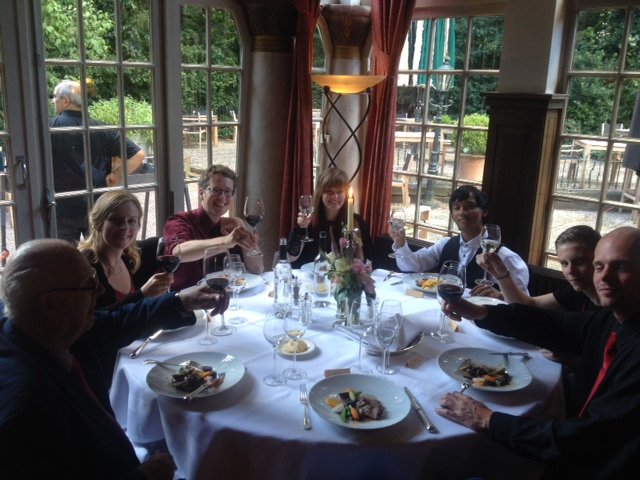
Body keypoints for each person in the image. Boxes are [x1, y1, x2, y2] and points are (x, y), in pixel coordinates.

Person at [0, 239, 228, 478]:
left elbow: (121, 320)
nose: (100, 291)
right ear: (49, 306)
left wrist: (181, 300)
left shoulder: (44, 332)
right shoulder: (25, 411)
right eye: (89, 284)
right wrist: (145, 476)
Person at [436, 227, 640, 479]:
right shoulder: (611, 318)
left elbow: (591, 437)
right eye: (599, 267)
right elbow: (552, 324)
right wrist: (480, 312)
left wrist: (488, 420)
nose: (605, 277)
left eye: (621, 267)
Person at [50, 80, 145, 243]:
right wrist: (116, 176)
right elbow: (138, 155)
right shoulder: (102, 128)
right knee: (99, 253)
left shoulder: (49, 127)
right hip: (97, 207)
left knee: (64, 256)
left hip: (61, 207)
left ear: (66, 101)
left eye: (55, 97)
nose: (53, 100)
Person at [390, 184, 529, 293]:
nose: (462, 212)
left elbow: (523, 302)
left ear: (484, 211)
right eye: (457, 208)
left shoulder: (505, 256)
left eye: (470, 207)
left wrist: (500, 295)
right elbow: (412, 265)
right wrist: (400, 242)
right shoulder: (446, 244)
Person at [163, 164, 263, 291]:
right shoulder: (179, 221)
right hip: (185, 299)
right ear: (201, 193)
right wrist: (225, 242)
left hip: (223, 297)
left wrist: (241, 225)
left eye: (228, 192)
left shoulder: (231, 228)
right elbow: (178, 253)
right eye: (215, 190)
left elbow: (257, 269)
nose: (222, 197)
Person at [78, 191, 172, 310]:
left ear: (138, 226)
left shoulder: (129, 258)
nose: (124, 227)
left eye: (131, 221)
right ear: (98, 223)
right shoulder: (84, 266)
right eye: (115, 220)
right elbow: (93, 318)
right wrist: (143, 294)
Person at [475, 224, 601, 311]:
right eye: (564, 263)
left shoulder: (609, 305)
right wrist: (501, 287)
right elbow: (530, 304)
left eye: (579, 262)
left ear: (599, 259)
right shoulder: (577, 292)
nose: (570, 271)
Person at [287, 167, 374, 269]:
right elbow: (290, 257)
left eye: (339, 191)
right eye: (329, 191)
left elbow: (368, 261)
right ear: (320, 194)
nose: (335, 196)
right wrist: (300, 229)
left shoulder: (357, 222)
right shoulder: (309, 222)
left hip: (343, 278)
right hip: (313, 277)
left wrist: (365, 266)